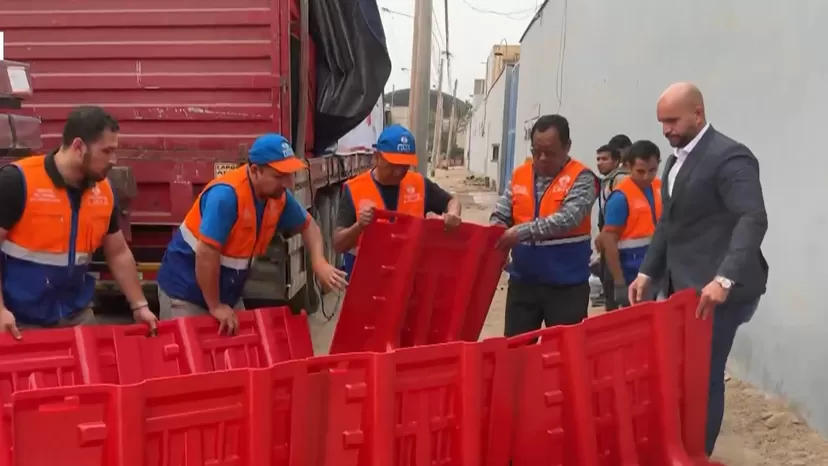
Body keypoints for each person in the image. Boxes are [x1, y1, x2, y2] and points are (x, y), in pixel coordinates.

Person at [627, 82, 768, 456]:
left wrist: (724, 278)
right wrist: (647, 272)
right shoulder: (674, 161)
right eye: (661, 122)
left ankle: (696, 454)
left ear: (698, 113)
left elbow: (752, 219)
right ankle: (679, 445)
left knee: (704, 376)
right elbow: (668, 225)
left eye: (672, 120)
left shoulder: (730, 157)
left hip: (719, 291)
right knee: (679, 373)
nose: (666, 130)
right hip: (682, 288)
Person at [156, 133, 347, 334]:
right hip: (185, 293)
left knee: (233, 358)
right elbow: (206, 253)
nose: (288, 184)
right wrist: (215, 306)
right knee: (189, 361)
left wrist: (319, 262)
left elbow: (310, 227)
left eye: (290, 175)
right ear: (255, 171)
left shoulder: (278, 197)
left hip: (226, 295)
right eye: (279, 176)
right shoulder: (226, 197)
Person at [0, 106, 157, 339]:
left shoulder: (103, 190)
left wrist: (139, 305)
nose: (113, 160)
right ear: (78, 146)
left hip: (77, 317)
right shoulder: (17, 182)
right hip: (21, 321)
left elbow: (118, 252)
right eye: (106, 151)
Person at [491, 114, 599, 336]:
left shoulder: (582, 178)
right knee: (515, 354)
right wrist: (497, 233)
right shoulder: (520, 175)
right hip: (523, 283)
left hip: (566, 287)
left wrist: (519, 233)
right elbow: (501, 213)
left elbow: (567, 219)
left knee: (565, 356)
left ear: (567, 146)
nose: (541, 158)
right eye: (535, 151)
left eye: (549, 153)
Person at [334, 124, 462, 276]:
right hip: (367, 281)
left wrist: (453, 213)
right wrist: (359, 226)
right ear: (376, 157)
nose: (398, 172)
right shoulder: (354, 189)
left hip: (408, 280)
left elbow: (452, 202)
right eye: (393, 165)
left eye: (404, 165)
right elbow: (338, 244)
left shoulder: (419, 184)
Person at [596, 140, 662, 308]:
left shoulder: (659, 187)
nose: (647, 176)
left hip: (654, 269)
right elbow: (608, 240)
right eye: (640, 171)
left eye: (652, 170)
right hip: (629, 272)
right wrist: (619, 283)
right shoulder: (620, 197)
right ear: (628, 167)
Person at [596, 135, 632, 311]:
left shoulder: (621, 180)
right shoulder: (609, 180)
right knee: (608, 289)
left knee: (615, 292)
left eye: (605, 159)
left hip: (617, 244)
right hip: (608, 242)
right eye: (598, 159)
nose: (600, 163)